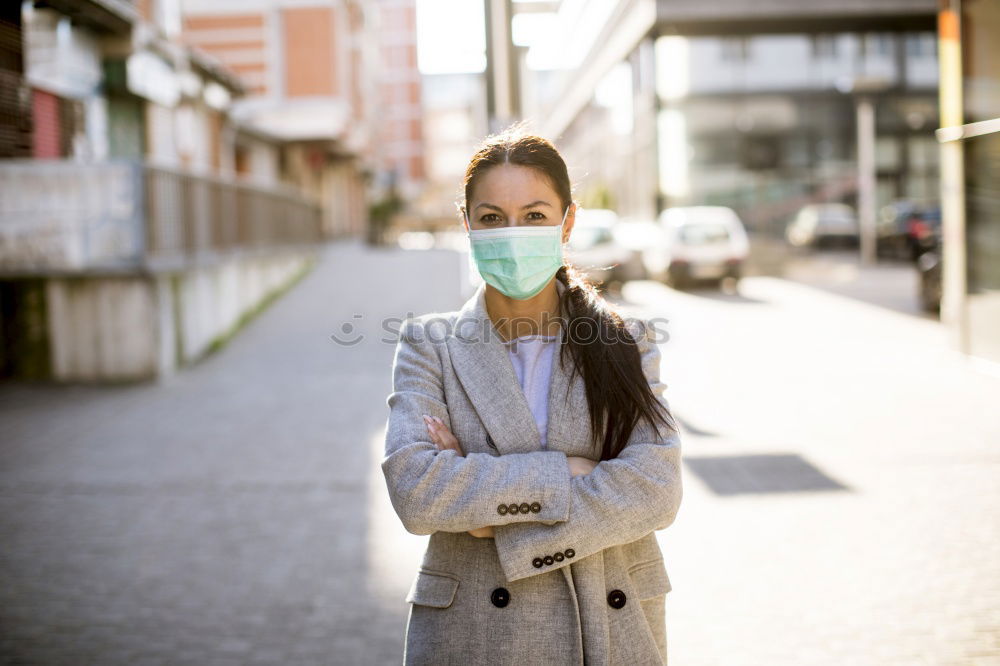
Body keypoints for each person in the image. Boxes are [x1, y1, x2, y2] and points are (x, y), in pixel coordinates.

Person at [381, 123, 683, 665]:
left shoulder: (626, 341)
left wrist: (486, 519)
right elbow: (415, 488)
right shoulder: (430, 344)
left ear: (567, 221)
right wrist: (568, 472)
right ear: (467, 223)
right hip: (475, 633)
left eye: (535, 216)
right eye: (492, 218)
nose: (512, 233)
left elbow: (656, 489)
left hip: (609, 626)